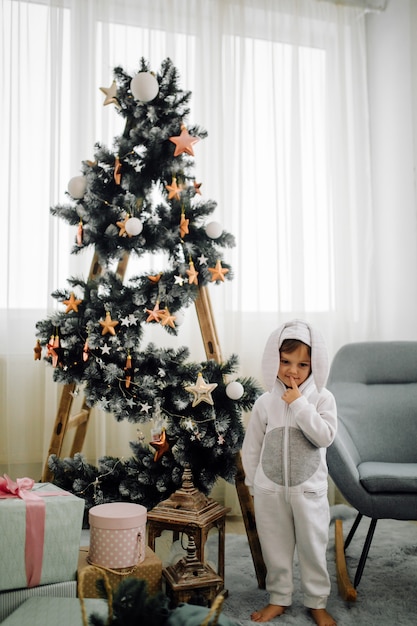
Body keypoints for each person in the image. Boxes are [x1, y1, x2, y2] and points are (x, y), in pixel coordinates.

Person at [242, 319, 337, 626]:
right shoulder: (264, 402)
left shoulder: (322, 398)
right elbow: (252, 446)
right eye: (285, 361)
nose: (292, 371)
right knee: (275, 549)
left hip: (308, 492)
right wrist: (253, 484)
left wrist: (300, 406)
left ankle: (317, 602)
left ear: (315, 365)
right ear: (274, 360)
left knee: (313, 548)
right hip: (270, 491)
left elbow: (325, 436)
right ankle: (279, 598)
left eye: (302, 364)